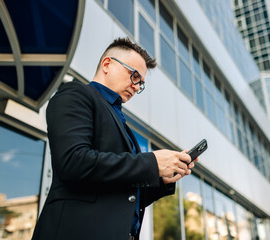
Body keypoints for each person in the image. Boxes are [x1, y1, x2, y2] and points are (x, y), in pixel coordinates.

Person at [31, 37, 197, 240]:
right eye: (134, 76)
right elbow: (73, 161)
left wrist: (163, 179)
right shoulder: (75, 95)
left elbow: (126, 198)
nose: (137, 87)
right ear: (107, 64)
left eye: (141, 83)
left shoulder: (121, 121)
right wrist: (152, 162)